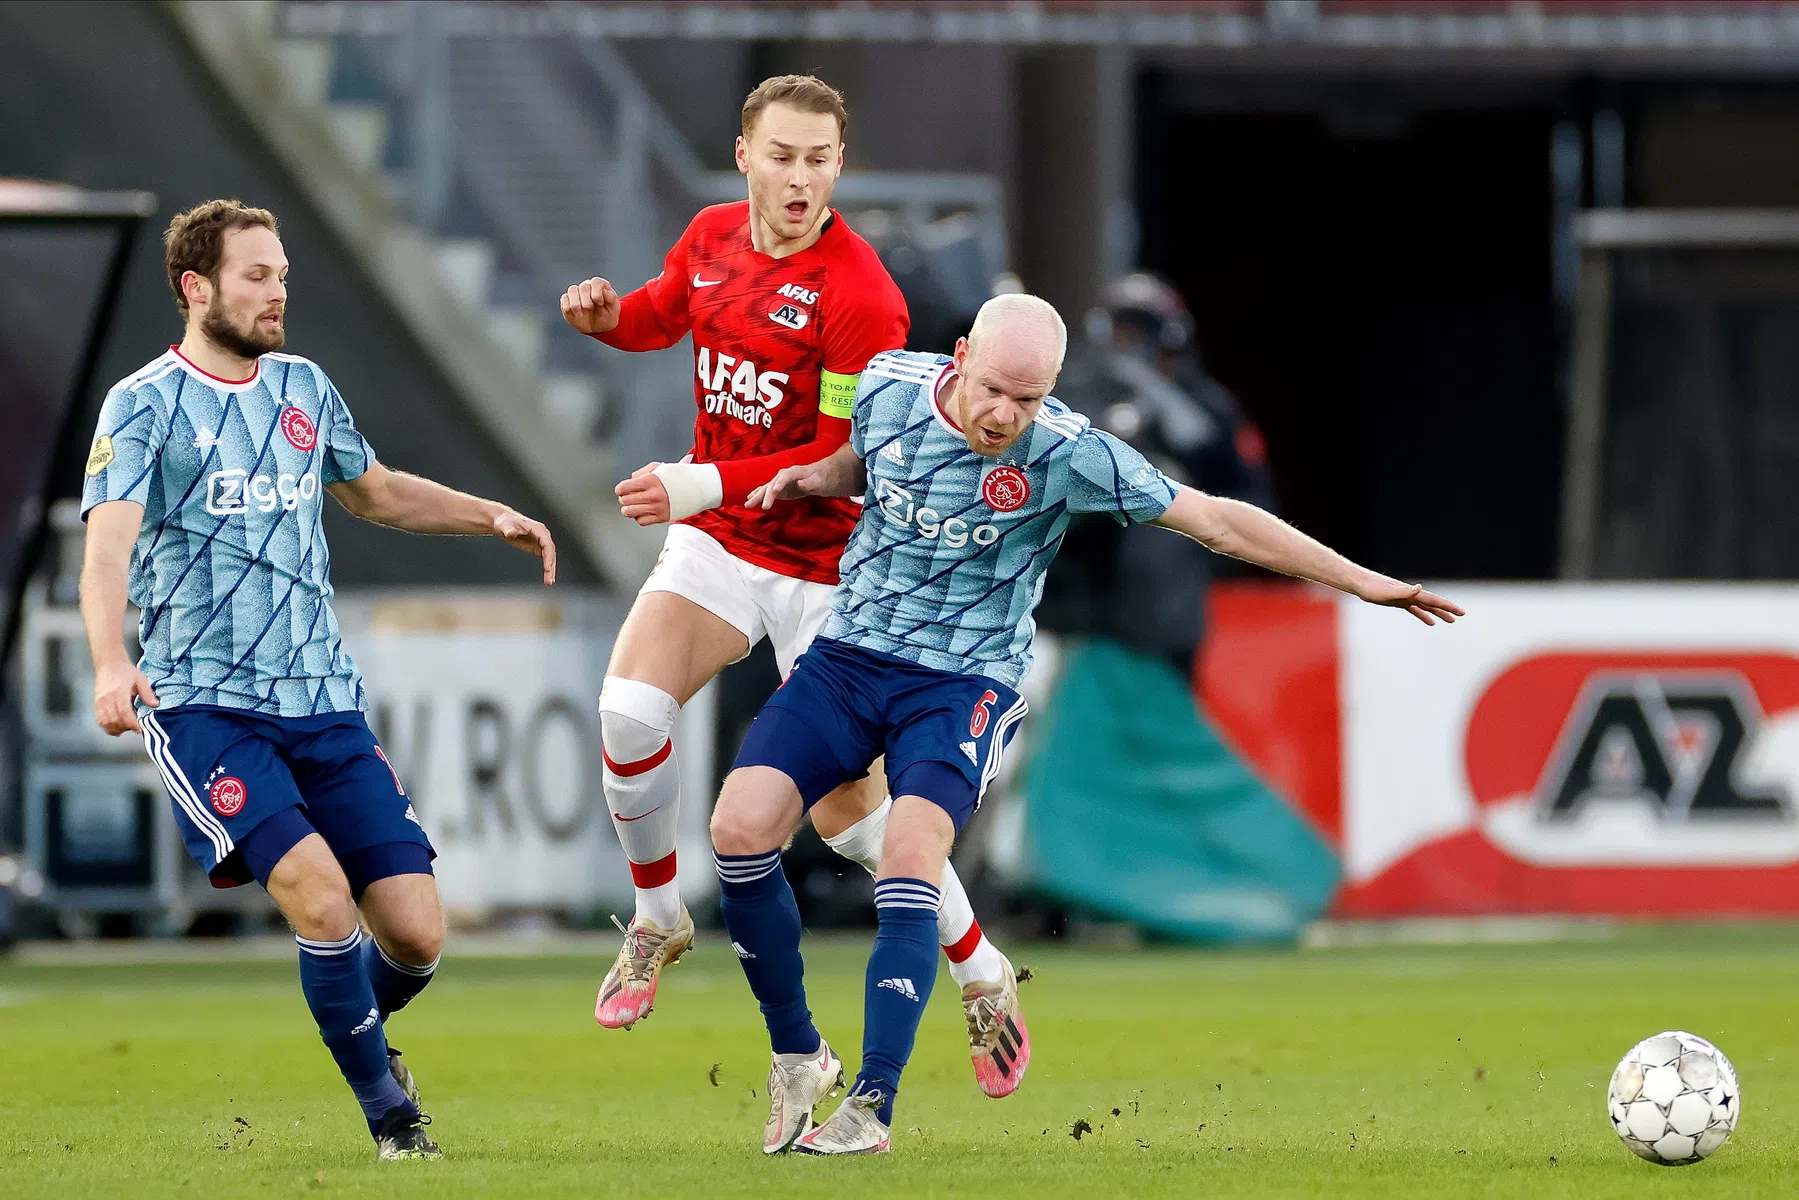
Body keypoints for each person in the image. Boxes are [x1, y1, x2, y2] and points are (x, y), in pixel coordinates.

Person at [712, 292, 1462, 1155]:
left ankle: (872, 1106)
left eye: (1027, 401)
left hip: (962, 684)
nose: (1004, 417)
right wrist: (818, 475)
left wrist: (1361, 579)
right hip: (850, 658)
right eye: (993, 391)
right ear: (959, 356)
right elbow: (864, 456)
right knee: (737, 830)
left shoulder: (1070, 452)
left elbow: (1214, 517)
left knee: (910, 859)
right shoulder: (883, 383)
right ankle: (801, 1052)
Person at [558, 75, 1026, 1098]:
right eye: (782, 156)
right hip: (723, 546)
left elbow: (840, 446)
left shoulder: (861, 293)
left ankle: (980, 968)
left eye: (819, 159)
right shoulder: (711, 237)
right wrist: (606, 320)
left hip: (826, 570)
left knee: (853, 827)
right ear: (744, 156)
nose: (801, 177)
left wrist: (693, 481)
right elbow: (660, 313)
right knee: (630, 714)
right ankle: (656, 917)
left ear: (837, 165)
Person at [79, 200, 557, 1161]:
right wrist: (109, 661)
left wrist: (488, 515)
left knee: (417, 934)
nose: (276, 291)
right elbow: (107, 551)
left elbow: (372, 491)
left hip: (324, 700)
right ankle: (393, 1119)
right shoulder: (142, 403)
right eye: (256, 275)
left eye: (283, 274)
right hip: (206, 703)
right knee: (319, 899)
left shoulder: (302, 386)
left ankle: (358, 1038)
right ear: (196, 287)